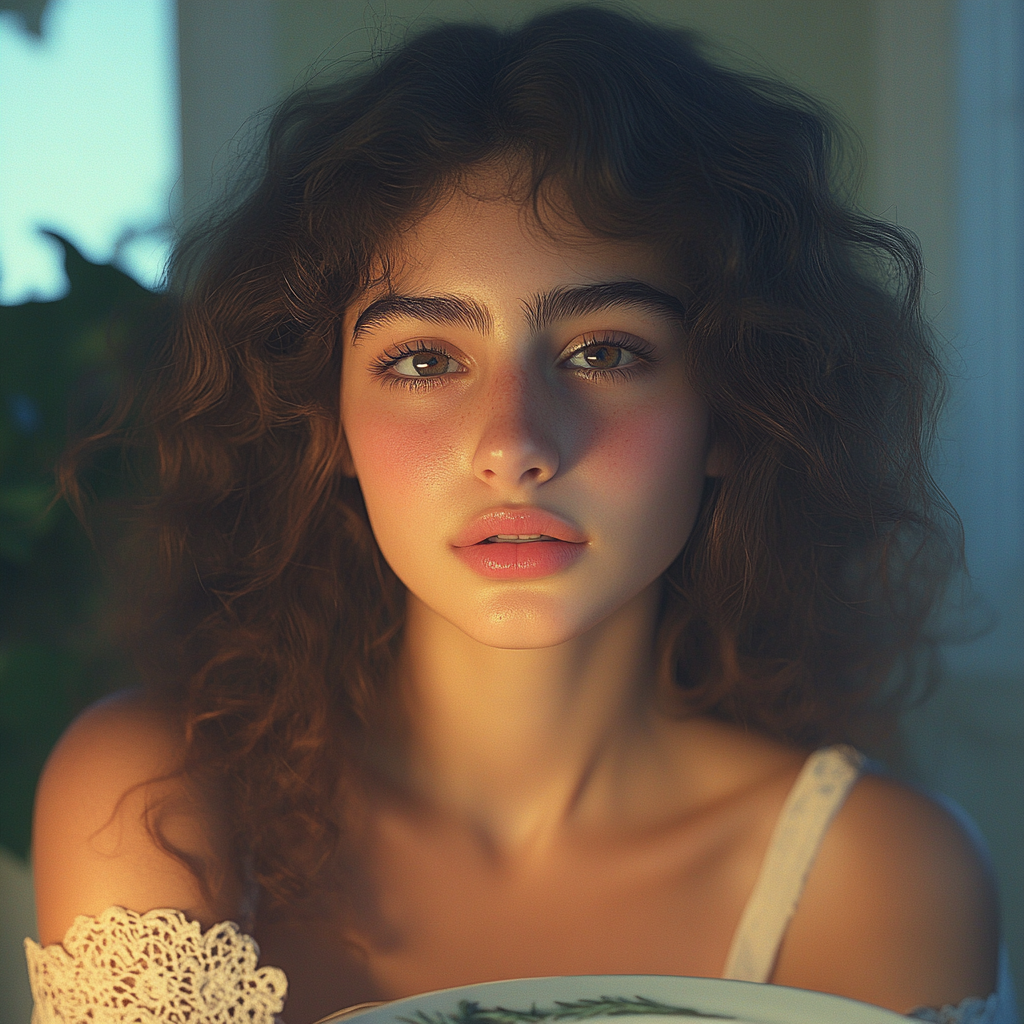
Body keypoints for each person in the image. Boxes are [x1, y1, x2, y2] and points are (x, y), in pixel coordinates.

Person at [23, 6, 1017, 1024]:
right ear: (330, 426)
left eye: (603, 352)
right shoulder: (155, 799)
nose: (513, 443)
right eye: (423, 360)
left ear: (734, 409)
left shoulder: (883, 873)